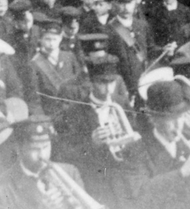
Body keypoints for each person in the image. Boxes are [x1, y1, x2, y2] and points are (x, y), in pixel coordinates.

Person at [114, 78, 190, 209]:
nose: (178, 125)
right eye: (171, 119)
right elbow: (138, 199)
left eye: (181, 117)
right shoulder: (134, 151)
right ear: (153, 119)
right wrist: (182, 172)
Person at [52, 52, 134, 206]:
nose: (108, 88)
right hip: (96, 182)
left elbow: (137, 138)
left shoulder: (122, 104)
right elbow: (66, 154)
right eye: (102, 83)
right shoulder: (74, 112)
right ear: (91, 82)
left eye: (112, 82)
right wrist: (91, 142)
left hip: (125, 179)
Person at [0, 116, 88, 209]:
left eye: (45, 147)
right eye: (35, 148)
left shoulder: (70, 172)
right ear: (18, 148)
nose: (42, 155)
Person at [27, 15, 83, 117]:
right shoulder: (34, 64)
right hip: (51, 113)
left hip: (74, 110)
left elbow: (80, 83)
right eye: (47, 39)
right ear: (40, 40)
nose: (51, 43)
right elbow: (34, 97)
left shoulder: (69, 57)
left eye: (54, 39)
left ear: (60, 38)